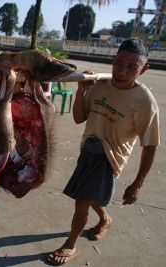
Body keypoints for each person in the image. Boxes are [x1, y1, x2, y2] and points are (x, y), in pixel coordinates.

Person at [48, 38, 159, 265]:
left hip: (110, 157)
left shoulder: (144, 101)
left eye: (132, 66)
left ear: (144, 69)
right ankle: (106, 219)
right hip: (87, 150)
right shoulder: (99, 84)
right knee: (90, 195)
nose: (122, 70)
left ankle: (70, 245)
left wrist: (138, 182)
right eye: (119, 62)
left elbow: (150, 144)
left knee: (82, 199)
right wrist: (82, 91)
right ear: (113, 59)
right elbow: (80, 117)